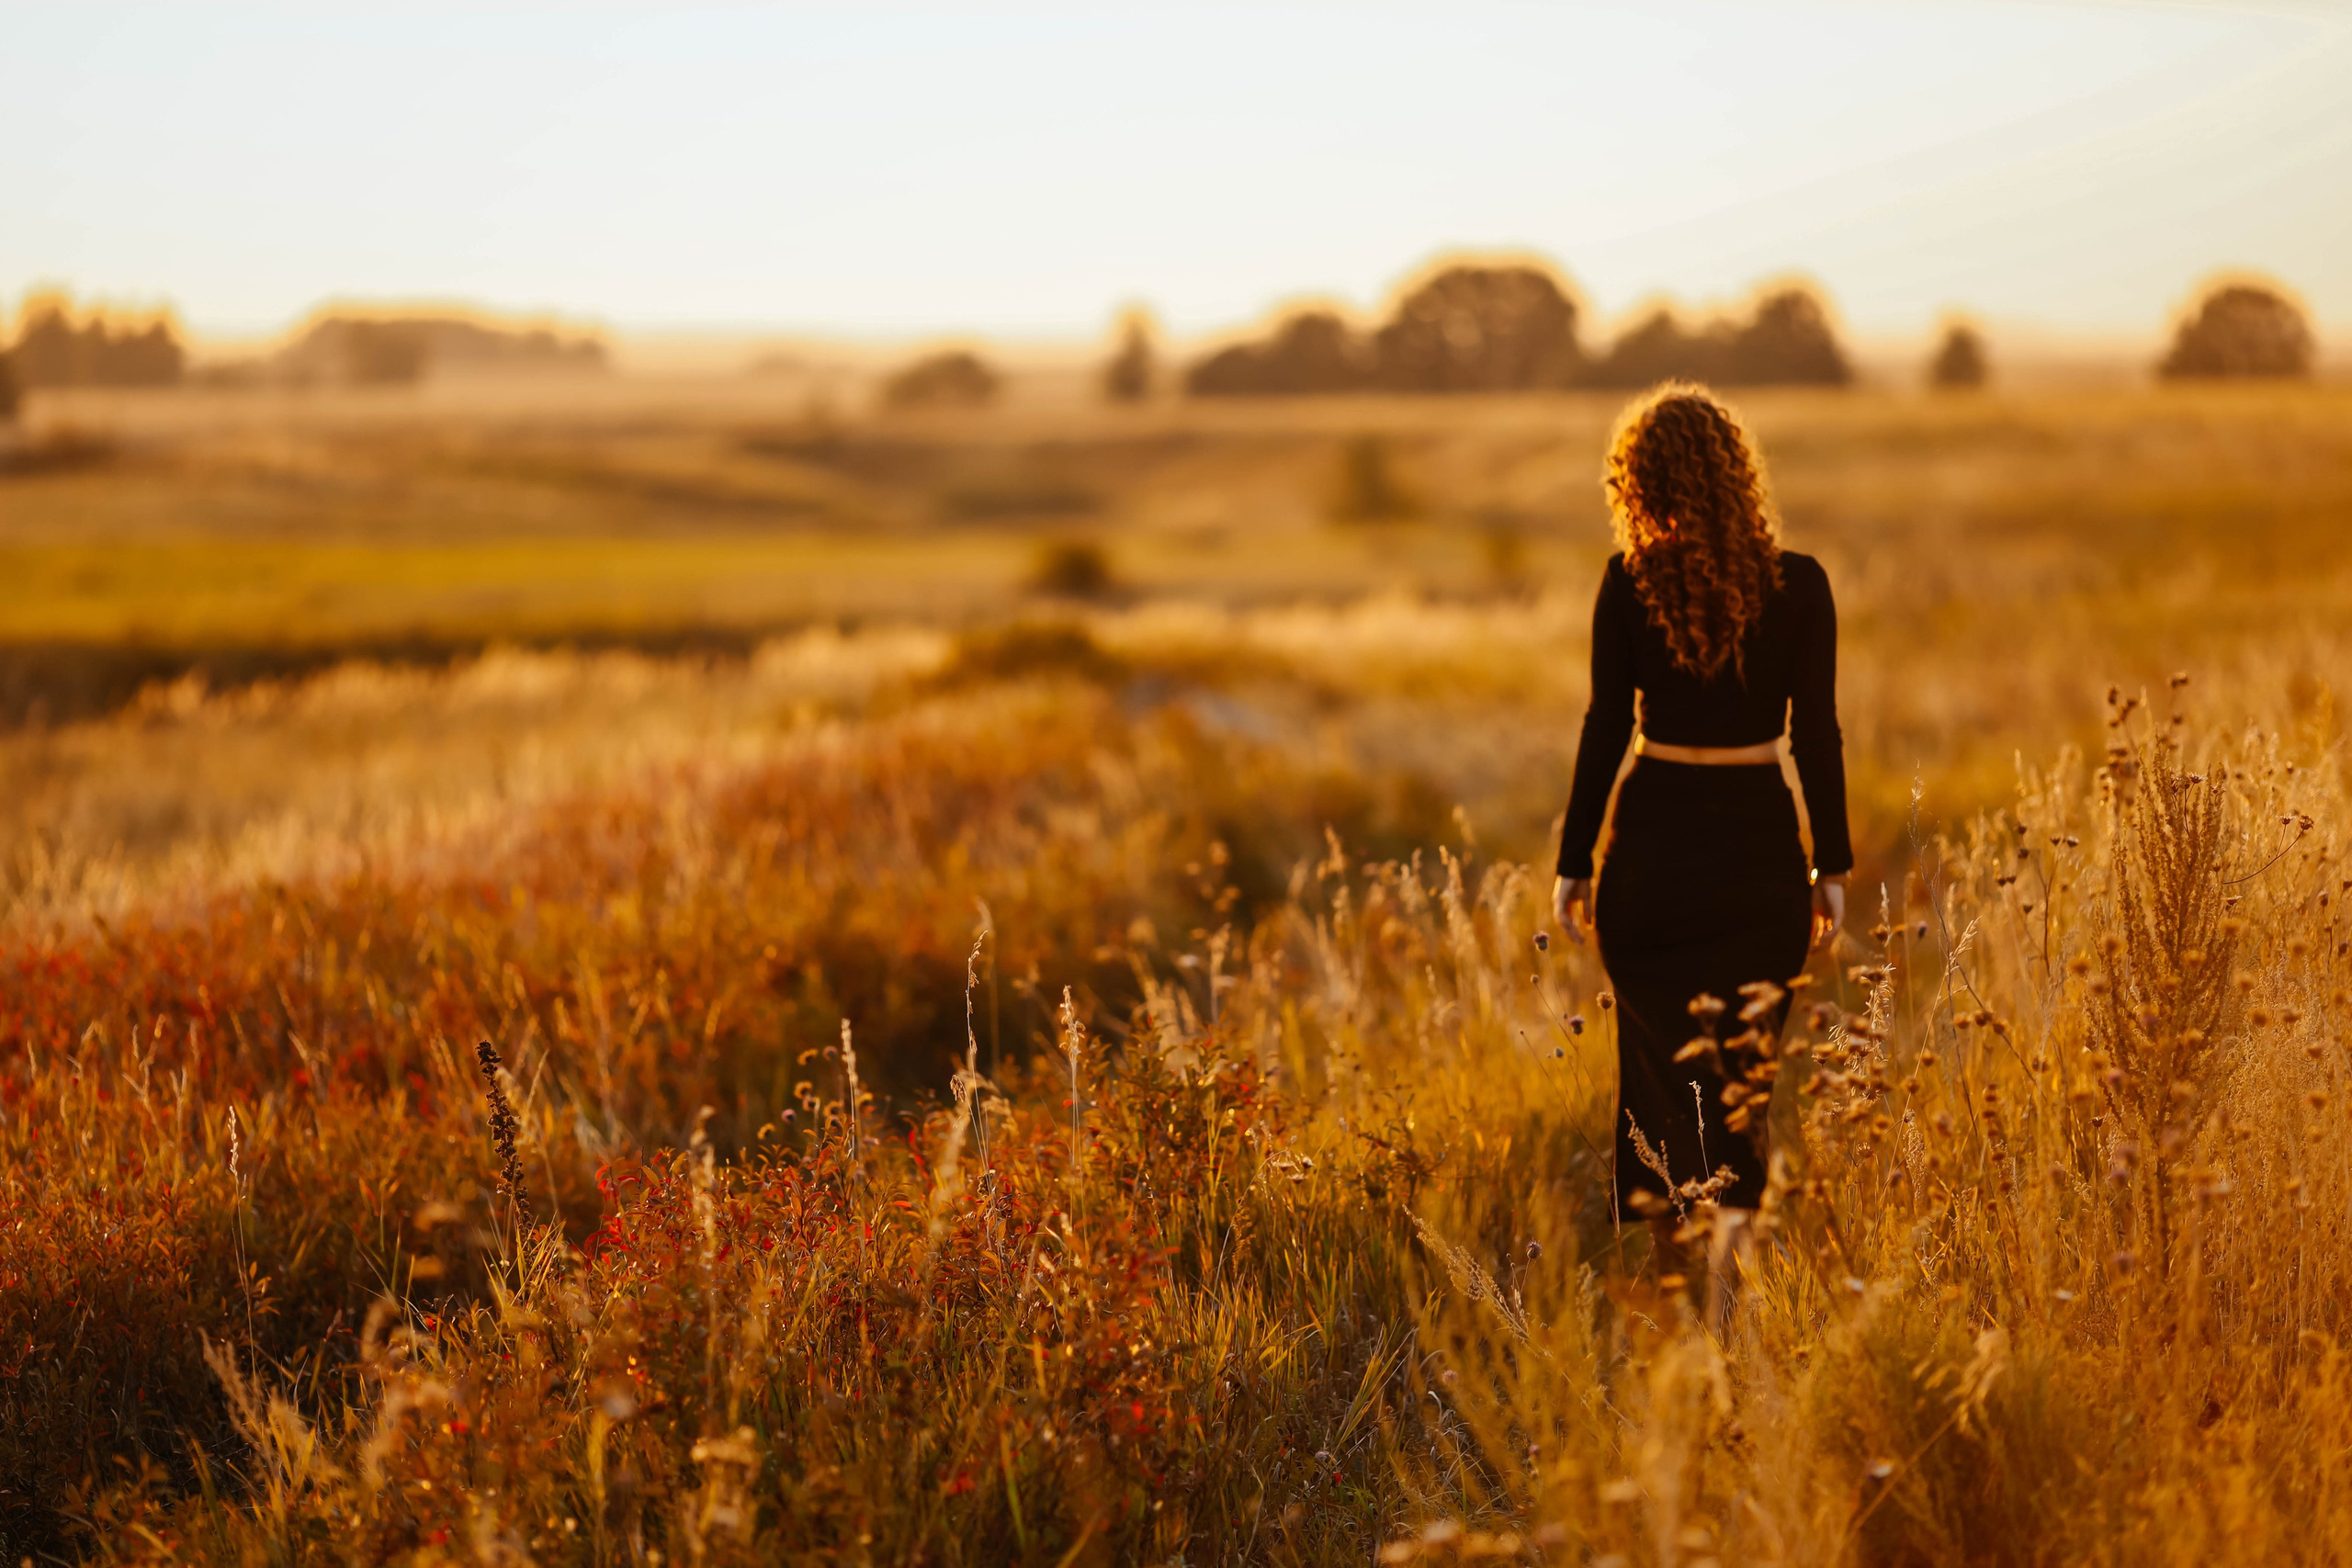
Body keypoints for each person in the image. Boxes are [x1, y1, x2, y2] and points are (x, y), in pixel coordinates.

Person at [1551, 382, 1850, 1328]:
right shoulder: (1799, 582)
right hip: (1759, 853)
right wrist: (1830, 866)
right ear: (1736, 473)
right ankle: (1719, 1302)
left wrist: (1574, 862)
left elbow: (1606, 725)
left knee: (1657, 1081)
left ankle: (1680, 1299)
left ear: (1637, 481)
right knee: (1737, 1084)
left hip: (1647, 858)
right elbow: (1817, 736)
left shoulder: (1627, 579)